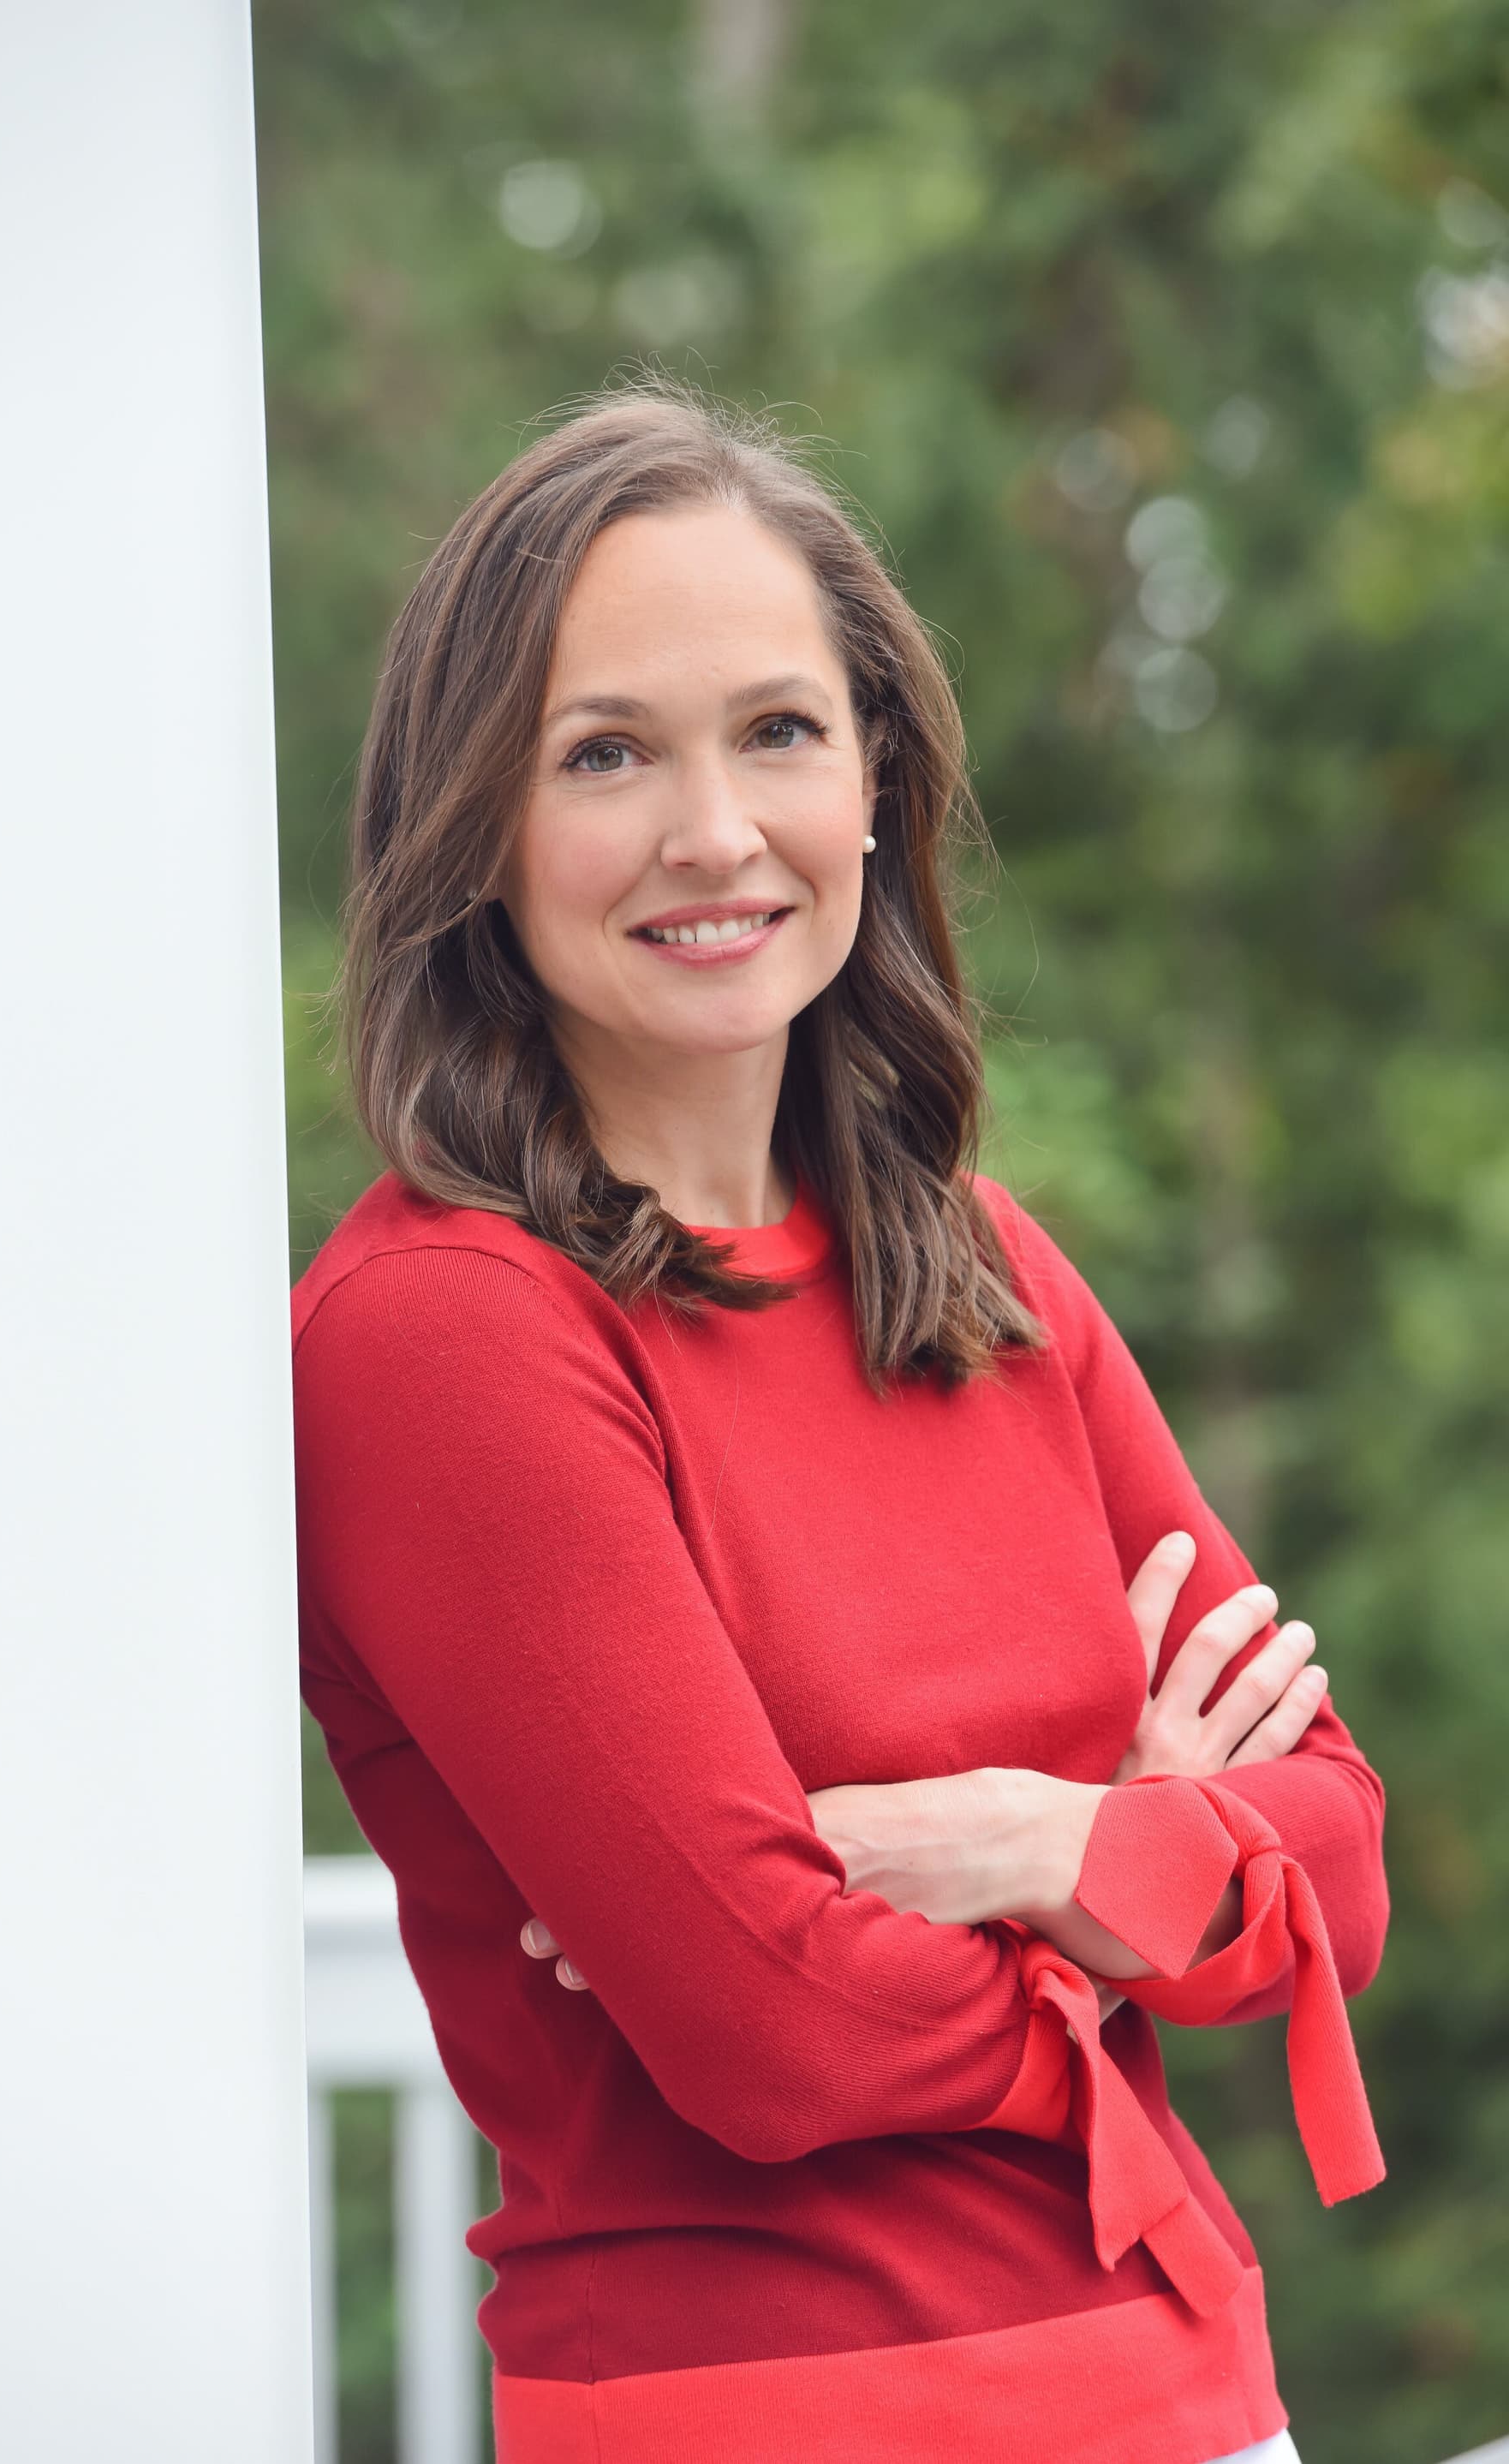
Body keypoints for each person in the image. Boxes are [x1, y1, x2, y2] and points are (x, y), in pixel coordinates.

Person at [289, 376, 1388, 2464]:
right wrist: (1149, 1889)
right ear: (474, 827)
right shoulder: (442, 1335)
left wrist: (1022, 1842)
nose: (714, 834)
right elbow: (764, 2029)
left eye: (778, 730)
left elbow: (1339, 1849)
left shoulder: (976, 1262)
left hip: (1194, 2390)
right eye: (604, 753)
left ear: (876, 777)